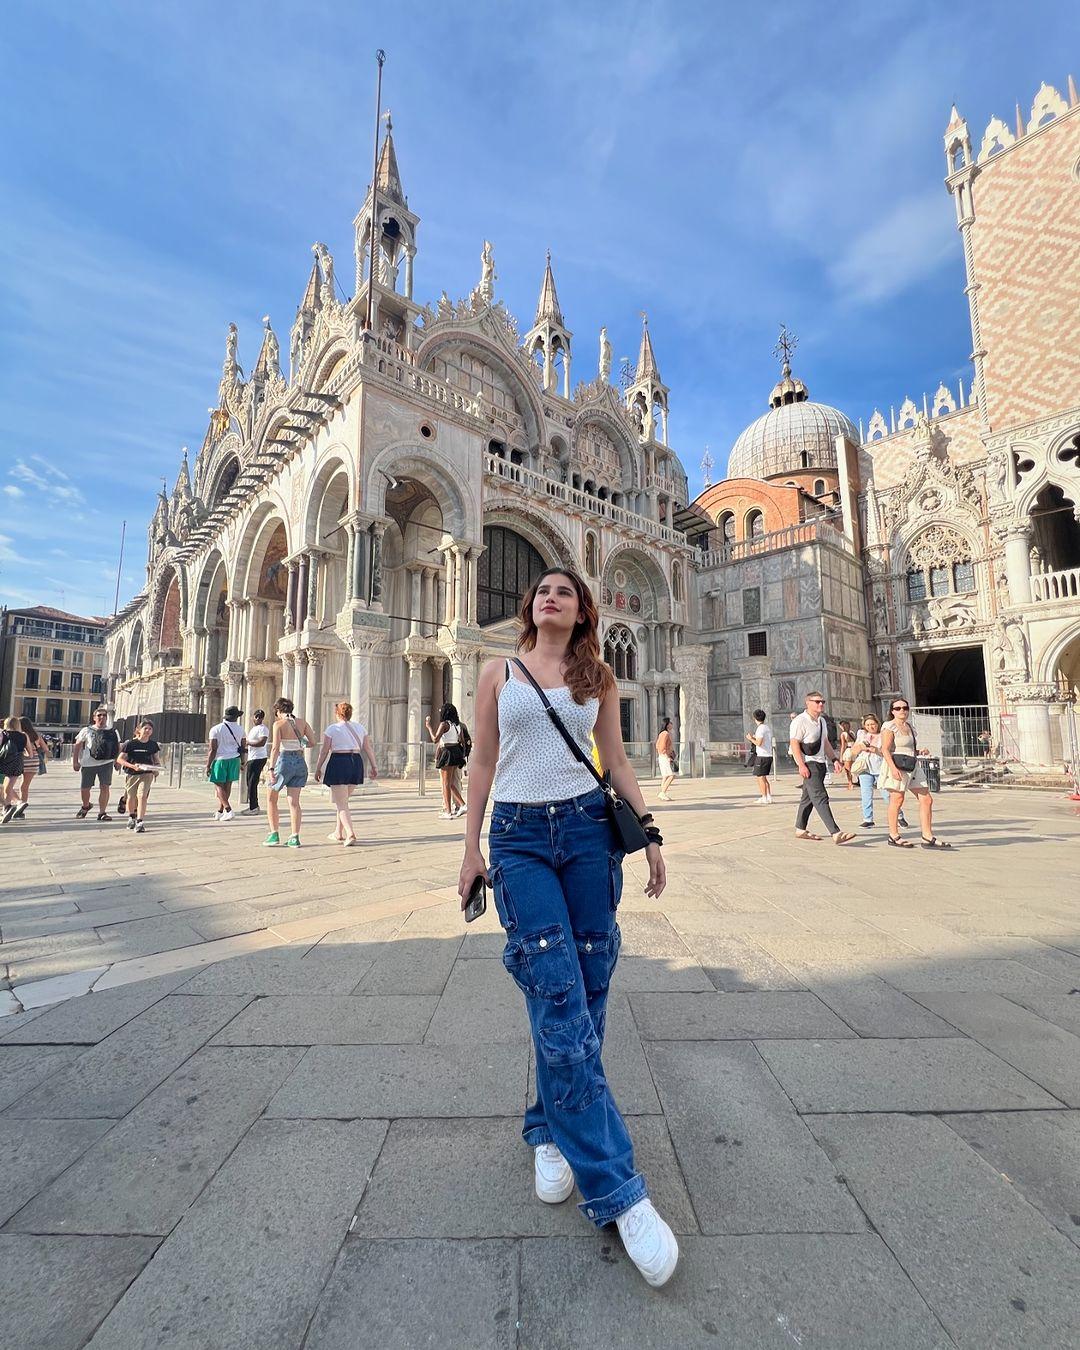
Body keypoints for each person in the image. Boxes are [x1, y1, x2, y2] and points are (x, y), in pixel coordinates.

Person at [458, 567, 678, 1289]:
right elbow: (482, 759)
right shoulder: (498, 672)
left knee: (587, 987)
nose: (549, 596)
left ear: (584, 610)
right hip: (518, 837)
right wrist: (470, 850)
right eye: (541, 590)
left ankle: (549, 1127)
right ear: (531, 607)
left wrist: (647, 831)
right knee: (557, 995)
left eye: (564, 591)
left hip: (587, 833)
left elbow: (614, 759)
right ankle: (619, 1188)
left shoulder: (599, 676)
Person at [880, 699, 952, 849]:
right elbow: (885, 749)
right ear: (892, 711)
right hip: (897, 766)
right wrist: (893, 769)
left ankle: (927, 836)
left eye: (905, 708)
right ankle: (893, 835)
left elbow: (909, 748)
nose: (902, 711)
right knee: (897, 800)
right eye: (898, 708)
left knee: (926, 799)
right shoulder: (889, 726)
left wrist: (920, 752)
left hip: (912, 765)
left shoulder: (909, 727)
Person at [789, 692, 854, 844]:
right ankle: (835, 832)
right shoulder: (799, 721)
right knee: (820, 797)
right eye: (817, 701)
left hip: (820, 763)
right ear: (808, 702)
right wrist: (801, 765)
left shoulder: (822, 721)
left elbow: (825, 742)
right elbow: (794, 743)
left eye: (822, 701)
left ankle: (800, 828)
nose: (821, 704)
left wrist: (835, 759)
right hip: (809, 764)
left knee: (808, 798)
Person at [314, 701, 379, 846]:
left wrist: (318, 768)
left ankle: (350, 834)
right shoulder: (360, 728)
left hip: (339, 762)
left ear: (337, 713)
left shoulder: (332, 729)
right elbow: (368, 748)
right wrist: (374, 766)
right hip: (356, 762)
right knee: (342, 801)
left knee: (341, 803)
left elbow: (324, 751)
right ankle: (338, 832)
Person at [264, 696, 316, 847]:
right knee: (294, 802)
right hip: (300, 762)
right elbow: (312, 742)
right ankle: (294, 837)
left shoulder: (278, 724)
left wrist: (271, 768)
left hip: (284, 761)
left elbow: (275, 748)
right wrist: (301, 741)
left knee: (271, 798)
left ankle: (274, 834)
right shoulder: (302, 723)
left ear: (279, 711)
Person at [73, 707, 120, 821]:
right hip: (88, 763)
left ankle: (102, 812)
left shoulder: (113, 731)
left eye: (104, 715)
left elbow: (118, 746)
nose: (102, 717)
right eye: (99, 715)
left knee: (105, 787)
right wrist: (75, 761)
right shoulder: (86, 730)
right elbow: (78, 745)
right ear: (94, 718)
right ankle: (85, 806)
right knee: (85, 788)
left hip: (106, 763)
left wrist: (117, 761)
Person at [116, 719, 161, 833]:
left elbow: (156, 760)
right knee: (131, 797)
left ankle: (140, 821)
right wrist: (132, 766)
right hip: (132, 774)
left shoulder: (153, 745)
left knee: (142, 796)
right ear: (139, 730)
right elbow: (120, 759)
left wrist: (156, 769)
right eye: (145, 728)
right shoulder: (130, 744)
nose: (147, 731)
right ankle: (131, 816)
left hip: (147, 773)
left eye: (150, 729)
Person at [425, 703, 468, 820]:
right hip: (456, 753)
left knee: (445, 783)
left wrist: (428, 726)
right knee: (450, 783)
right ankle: (462, 804)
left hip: (447, 752)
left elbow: (435, 739)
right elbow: (462, 741)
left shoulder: (444, 724)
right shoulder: (457, 725)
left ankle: (448, 811)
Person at [206, 704, 246, 822]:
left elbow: (212, 749)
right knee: (227, 785)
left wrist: (208, 765)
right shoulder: (241, 729)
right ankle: (220, 810)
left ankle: (228, 809)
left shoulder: (216, 729)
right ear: (236, 717)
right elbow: (243, 748)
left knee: (218, 785)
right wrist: (243, 761)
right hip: (234, 759)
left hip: (220, 759)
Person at [8, 716, 47, 820]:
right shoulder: (37, 735)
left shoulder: (20, 735)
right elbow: (45, 748)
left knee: (8, 785)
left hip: (20, 760)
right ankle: (20, 811)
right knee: (24, 787)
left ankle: (17, 803)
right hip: (34, 761)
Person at [0, 717, 29, 823]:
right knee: (8, 789)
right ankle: (6, 811)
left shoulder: (3, 734)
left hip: (3, 765)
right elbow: (29, 754)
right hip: (17, 764)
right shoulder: (24, 736)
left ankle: (7, 806)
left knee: (3, 789)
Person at [244, 709, 269, 813]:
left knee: (252, 782)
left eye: (260, 717)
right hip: (252, 757)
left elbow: (261, 742)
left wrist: (248, 743)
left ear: (262, 718)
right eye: (256, 716)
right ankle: (253, 805)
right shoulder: (253, 729)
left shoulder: (263, 729)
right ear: (253, 717)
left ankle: (253, 807)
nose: (258, 718)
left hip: (258, 758)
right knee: (249, 782)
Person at [747, 709, 773, 803]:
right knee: (764, 777)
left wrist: (750, 738)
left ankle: (764, 797)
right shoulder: (766, 727)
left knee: (760, 777)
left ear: (755, 718)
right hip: (768, 755)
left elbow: (759, 743)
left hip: (762, 756)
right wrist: (753, 738)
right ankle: (768, 796)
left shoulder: (760, 728)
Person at [655, 717, 676, 802]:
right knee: (671, 775)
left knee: (665, 776)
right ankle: (662, 792)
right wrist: (667, 756)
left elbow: (657, 745)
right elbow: (662, 746)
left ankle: (663, 793)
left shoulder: (662, 733)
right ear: (667, 725)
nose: (671, 724)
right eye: (670, 723)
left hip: (662, 756)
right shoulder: (665, 734)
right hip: (664, 756)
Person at [838, 720, 855, 789]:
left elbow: (843, 746)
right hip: (853, 750)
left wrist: (841, 756)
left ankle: (850, 783)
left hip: (848, 750)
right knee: (852, 767)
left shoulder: (843, 734)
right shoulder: (852, 733)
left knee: (847, 769)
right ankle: (853, 781)